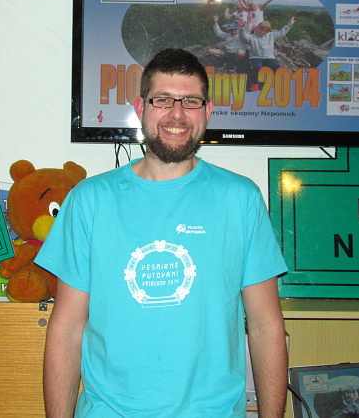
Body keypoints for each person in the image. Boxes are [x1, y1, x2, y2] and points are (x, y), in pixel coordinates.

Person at [36, 48, 289, 417]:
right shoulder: (90, 200)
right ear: (141, 107)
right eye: (163, 99)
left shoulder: (240, 198)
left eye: (191, 101)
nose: (177, 113)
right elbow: (67, 328)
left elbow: (266, 327)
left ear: (208, 111)